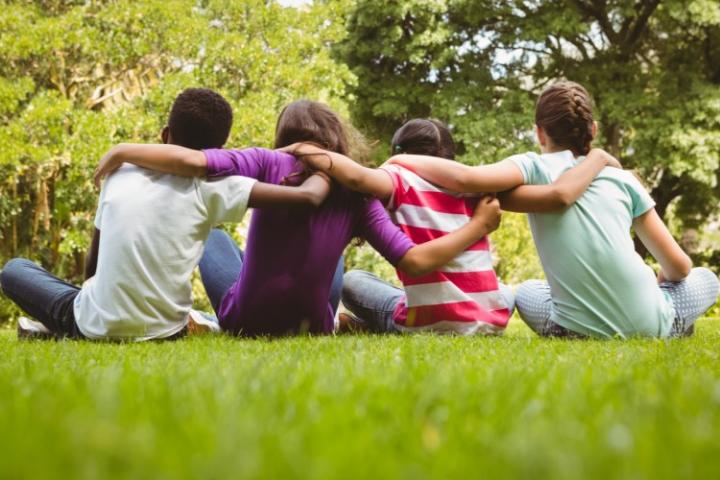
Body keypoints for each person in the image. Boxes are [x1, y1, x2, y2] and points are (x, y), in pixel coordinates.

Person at [93, 100, 502, 337]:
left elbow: (189, 160)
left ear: (286, 136)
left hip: (246, 322)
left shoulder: (266, 161)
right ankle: (335, 316)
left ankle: (184, 312)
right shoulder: (357, 196)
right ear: (337, 141)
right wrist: (477, 227)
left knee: (215, 235)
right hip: (313, 323)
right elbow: (412, 260)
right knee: (336, 256)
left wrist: (124, 150)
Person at [387, 81, 720, 338]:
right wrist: (660, 282)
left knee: (529, 291)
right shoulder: (622, 180)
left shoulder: (533, 167)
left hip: (571, 331)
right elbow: (679, 267)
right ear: (593, 130)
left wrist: (402, 158)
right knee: (705, 278)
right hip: (653, 327)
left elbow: (468, 178)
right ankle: (670, 321)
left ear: (539, 132)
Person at [0, 88, 331, 341]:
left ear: (164, 135)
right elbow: (303, 197)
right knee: (216, 235)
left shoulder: (121, 170)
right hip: (168, 329)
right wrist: (305, 153)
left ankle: (54, 326)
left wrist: (96, 300)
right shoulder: (215, 186)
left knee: (14, 270)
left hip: (93, 322)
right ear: (218, 151)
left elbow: (94, 264)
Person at [279, 118, 619, 334]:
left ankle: (370, 323)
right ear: (447, 153)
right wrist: (598, 162)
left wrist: (299, 147)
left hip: (432, 321)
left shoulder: (396, 178)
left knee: (355, 282)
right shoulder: (479, 184)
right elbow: (556, 195)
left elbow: (354, 175)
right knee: (504, 290)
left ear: (404, 152)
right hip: (489, 321)